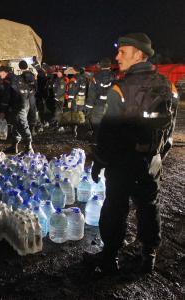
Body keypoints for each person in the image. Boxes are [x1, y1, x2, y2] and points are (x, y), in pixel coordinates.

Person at [85, 33, 179, 274]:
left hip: (122, 162)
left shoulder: (121, 88)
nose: (117, 57)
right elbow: (170, 127)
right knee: (149, 205)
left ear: (139, 55)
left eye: (122, 52)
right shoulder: (167, 85)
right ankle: (149, 255)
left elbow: (109, 130)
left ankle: (109, 257)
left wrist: (99, 161)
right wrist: (158, 155)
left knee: (115, 207)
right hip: (151, 161)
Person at [86, 58, 116, 140]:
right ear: (110, 66)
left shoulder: (95, 77)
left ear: (101, 66)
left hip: (98, 104)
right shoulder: (115, 76)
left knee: (96, 123)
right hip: (111, 104)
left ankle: (97, 141)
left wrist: (88, 107)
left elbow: (91, 93)